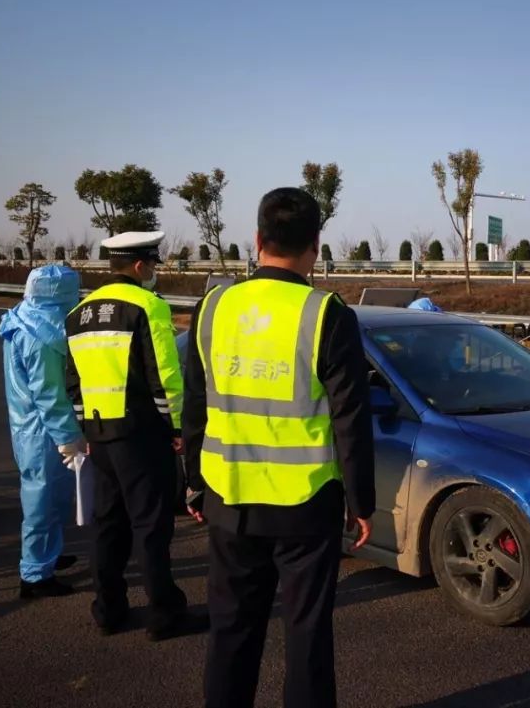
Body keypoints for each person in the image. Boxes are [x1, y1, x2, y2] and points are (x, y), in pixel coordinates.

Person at [183, 188, 376, 708]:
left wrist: (193, 483)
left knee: (231, 632)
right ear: (316, 245)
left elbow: (196, 404)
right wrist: (362, 504)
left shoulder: (213, 306)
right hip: (305, 509)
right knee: (307, 635)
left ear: (257, 240)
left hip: (229, 497)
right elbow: (350, 419)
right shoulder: (327, 315)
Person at [65, 231, 206, 641]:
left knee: (108, 525)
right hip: (141, 436)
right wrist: (176, 427)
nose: (155, 273)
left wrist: (87, 429)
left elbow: (72, 381)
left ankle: (108, 610)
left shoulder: (79, 312)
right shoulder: (148, 306)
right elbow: (165, 375)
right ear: (141, 266)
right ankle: (164, 615)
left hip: (100, 436)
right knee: (151, 527)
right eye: (154, 265)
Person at [0, 264, 84, 598]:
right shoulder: (42, 335)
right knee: (41, 500)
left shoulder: (24, 318)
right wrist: (68, 436)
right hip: (42, 430)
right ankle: (35, 575)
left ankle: (49, 553)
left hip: (31, 426)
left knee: (53, 496)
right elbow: (49, 394)